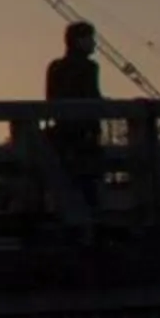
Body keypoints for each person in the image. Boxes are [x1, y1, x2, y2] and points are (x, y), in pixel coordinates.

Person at [44, 21, 104, 203]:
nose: (93, 43)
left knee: (66, 185)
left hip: (62, 136)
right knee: (87, 187)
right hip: (84, 138)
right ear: (78, 41)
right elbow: (92, 98)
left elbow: (51, 99)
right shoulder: (89, 67)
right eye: (89, 39)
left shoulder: (55, 67)